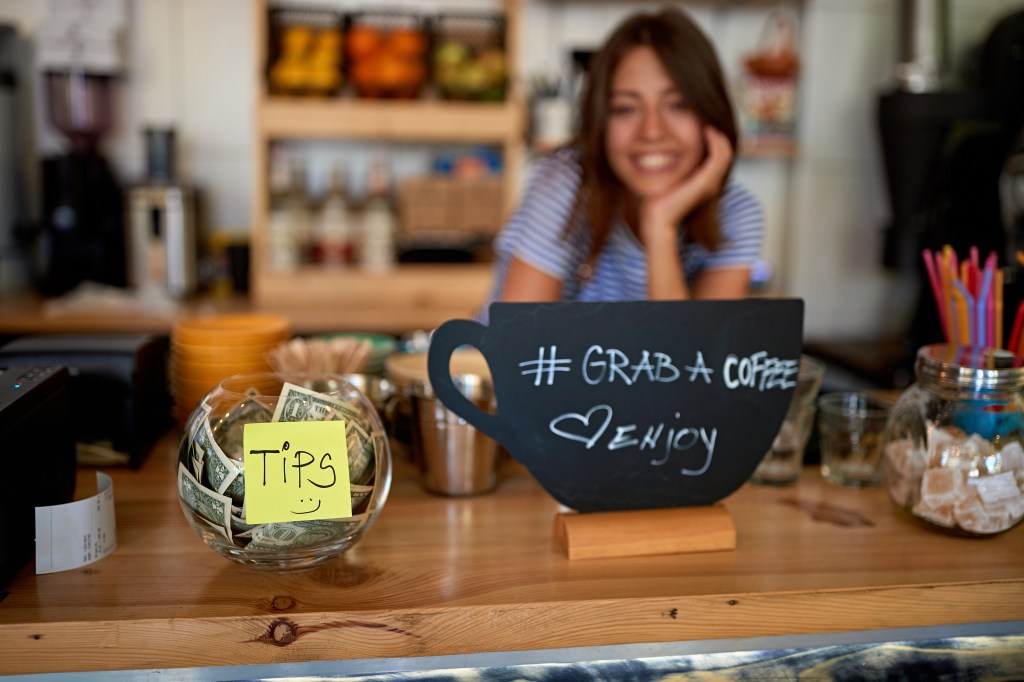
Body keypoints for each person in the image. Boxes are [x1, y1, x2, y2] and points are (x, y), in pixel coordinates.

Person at [480, 7, 763, 316]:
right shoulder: (565, 182)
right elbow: (518, 347)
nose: (652, 131)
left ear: (710, 114)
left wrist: (659, 226)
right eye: (626, 109)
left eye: (678, 105)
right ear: (601, 122)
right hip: (487, 363)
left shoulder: (736, 214)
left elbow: (698, 361)